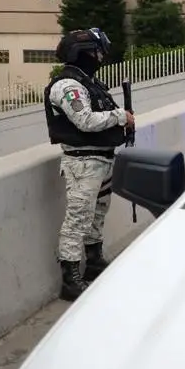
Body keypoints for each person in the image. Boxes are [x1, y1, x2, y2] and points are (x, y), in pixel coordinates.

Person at [43, 27, 134, 301]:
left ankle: (93, 262)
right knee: (78, 219)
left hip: (101, 160)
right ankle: (70, 280)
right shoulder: (68, 86)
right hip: (83, 163)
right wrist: (121, 117)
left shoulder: (87, 82)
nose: (100, 57)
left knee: (96, 215)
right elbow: (85, 121)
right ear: (82, 53)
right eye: (96, 52)